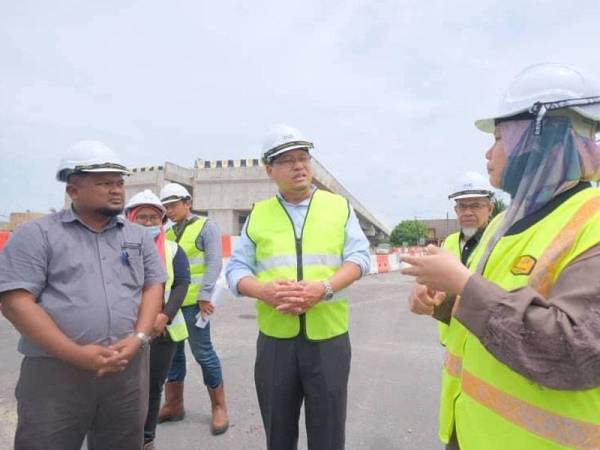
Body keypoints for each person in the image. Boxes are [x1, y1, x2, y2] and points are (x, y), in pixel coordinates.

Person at [402, 63, 600, 450]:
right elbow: (486, 305)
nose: (488, 152)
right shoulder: (505, 222)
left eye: (498, 137)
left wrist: (460, 282)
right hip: (469, 430)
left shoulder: (593, 221)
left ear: (539, 139)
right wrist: (443, 303)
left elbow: (577, 349)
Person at [0, 141, 166, 450]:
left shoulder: (137, 237)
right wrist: (74, 354)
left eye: (119, 183)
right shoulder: (37, 235)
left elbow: (152, 286)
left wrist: (139, 338)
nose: (116, 190)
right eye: (104, 183)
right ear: (73, 191)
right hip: (55, 372)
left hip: (126, 369)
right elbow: (16, 302)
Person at [226, 124, 371, 450]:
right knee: (278, 432)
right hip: (276, 344)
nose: (299, 166)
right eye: (287, 160)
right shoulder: (259, 215)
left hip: (328, 340)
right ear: (270, 170)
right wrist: (262, 290)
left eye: (303, 157)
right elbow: (236, 269)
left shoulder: (339, 207)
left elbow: (360, 258)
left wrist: (324, 288)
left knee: (329, 434)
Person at [157, 182, 229, 435]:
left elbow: (214, 263)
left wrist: (205, 295)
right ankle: (174, 405)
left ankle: (219, 407)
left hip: (195, 306)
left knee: (203, 353)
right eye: (166, 207)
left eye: (174, 205)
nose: (170, 210)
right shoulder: (165, 232)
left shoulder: (205, 227)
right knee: (173, 356)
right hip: (171, 306)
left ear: (188, 203)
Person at [124, 190, 191, 450]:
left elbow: (182, 283)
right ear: (130, 219)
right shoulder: (116, 247)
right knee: (122, 389)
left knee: (152, 388)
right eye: (142, 217)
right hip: (123, 329)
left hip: (162, 332)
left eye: (154, 218)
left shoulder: (173, 249)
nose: (149, 223)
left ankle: (146, 439)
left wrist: (165, 315)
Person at [410, 172, 494, 345]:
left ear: (490, 208)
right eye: (462, 206)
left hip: (485, 343)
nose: (468, 212)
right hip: (452, 341)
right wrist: (424, 289)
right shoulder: (448, 242)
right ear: (456, 210)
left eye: (476, 205)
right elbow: (433, 281)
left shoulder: (500, 242)